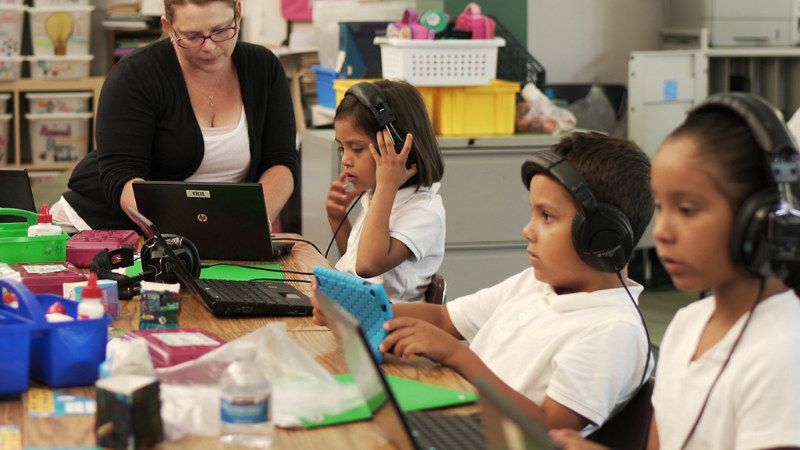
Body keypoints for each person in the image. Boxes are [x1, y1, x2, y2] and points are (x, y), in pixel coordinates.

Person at [315, 131, 655, 432]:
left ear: (601, 239)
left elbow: (551, 430)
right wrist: (354, 309)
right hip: (460, 422)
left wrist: (456, 355)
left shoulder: (613, 331)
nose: (528, 229)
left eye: (547, 216)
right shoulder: (534, 284)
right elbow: (445, 319)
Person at [551, 95, 800, 449]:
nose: (663, 232)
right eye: (660, 207)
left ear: (760, 219)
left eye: (687, 209)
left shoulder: (782, 351)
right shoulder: (687, 323)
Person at [51, 0, 298, 231]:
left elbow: (281, 162)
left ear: (238, 14)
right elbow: (122, 176)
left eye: (221, 30)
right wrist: (185, 234)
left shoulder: (264, 68)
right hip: (108, 228)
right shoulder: (135, 76)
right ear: (168, 27)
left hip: (219, 235)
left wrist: (249, 226)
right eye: (191, 36)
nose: (209, 47)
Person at [327, 80, 445, 303]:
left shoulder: (424, 212)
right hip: (359, 312)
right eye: (341, 148)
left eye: (357, 149)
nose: (345, 160)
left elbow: (367, 266)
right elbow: (354, 264)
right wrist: (338, 219)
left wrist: (386, 186)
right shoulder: (376, 195)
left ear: (401, 149)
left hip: (391, 328)